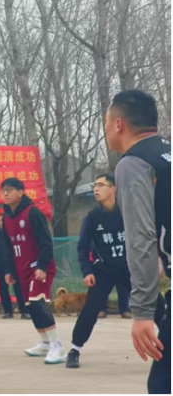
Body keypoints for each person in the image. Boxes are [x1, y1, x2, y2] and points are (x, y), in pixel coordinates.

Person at [105, 90, 171, 395]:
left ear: (118, 124)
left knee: (163, 384)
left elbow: (141, 239)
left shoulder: (134, 163)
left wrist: (143, 311)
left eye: (106, 122)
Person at [66, 173, 132, 368]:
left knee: (154, 303)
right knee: (90, 309)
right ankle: (74, 350)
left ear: (113, 189)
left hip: (130, 269)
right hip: (103, 271)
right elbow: (83, 247)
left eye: (101, 185)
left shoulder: (128, 212)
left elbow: (145, 237)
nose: (96, 188)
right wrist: (87, 271)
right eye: (95, 185)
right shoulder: (92, 218)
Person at [1, 178, 66, 365]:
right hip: (21, 268)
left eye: (10, 190)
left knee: (37, 303)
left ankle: (57, 346)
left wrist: (42, 266)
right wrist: (9, 269)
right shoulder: (6, 217)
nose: (5, 193)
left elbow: (45, 241)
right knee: (29, 306)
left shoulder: (33, 212)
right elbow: (8, 246)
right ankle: (45, 343)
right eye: (3, 190)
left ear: (20, 192)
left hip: (38, 267)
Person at [0, 214, 30, 320]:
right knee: (3, 287)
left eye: (3, 220)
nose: (1, 222)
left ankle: (24, 311)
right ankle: (8, 311)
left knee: (18, 287)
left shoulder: (14, 233)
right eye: (0, 220)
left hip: (14, 264)